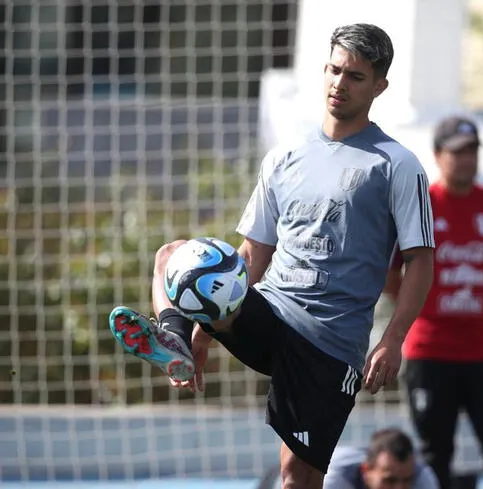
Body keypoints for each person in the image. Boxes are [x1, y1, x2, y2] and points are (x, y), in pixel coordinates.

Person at [109, 23, 435, 489]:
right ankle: (174, 338)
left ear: (379, 86)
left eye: (356, 77)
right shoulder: (286, 155)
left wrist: (393, 339)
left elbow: (421, 260)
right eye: (334, 70)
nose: (339, 84)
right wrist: (204, 328)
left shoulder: (396, 164)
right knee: (175, 256)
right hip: (270, 311)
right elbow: (252, 253)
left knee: (296, 476)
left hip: (329, 343)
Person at [385, 116, 483, 489]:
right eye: (458, 152)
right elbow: (389, 276)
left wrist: (474, 298)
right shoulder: (420, 206)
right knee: (435, 452)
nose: (466, 160)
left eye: (472, 151)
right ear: (438, 155)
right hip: (430, 352)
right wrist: (421, 305)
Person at [323, 428, 440, 489]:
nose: (399, 488)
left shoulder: (423, 477)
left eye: (407, 481)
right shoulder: (334, 476)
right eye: (390, 480)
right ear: (366, 471)